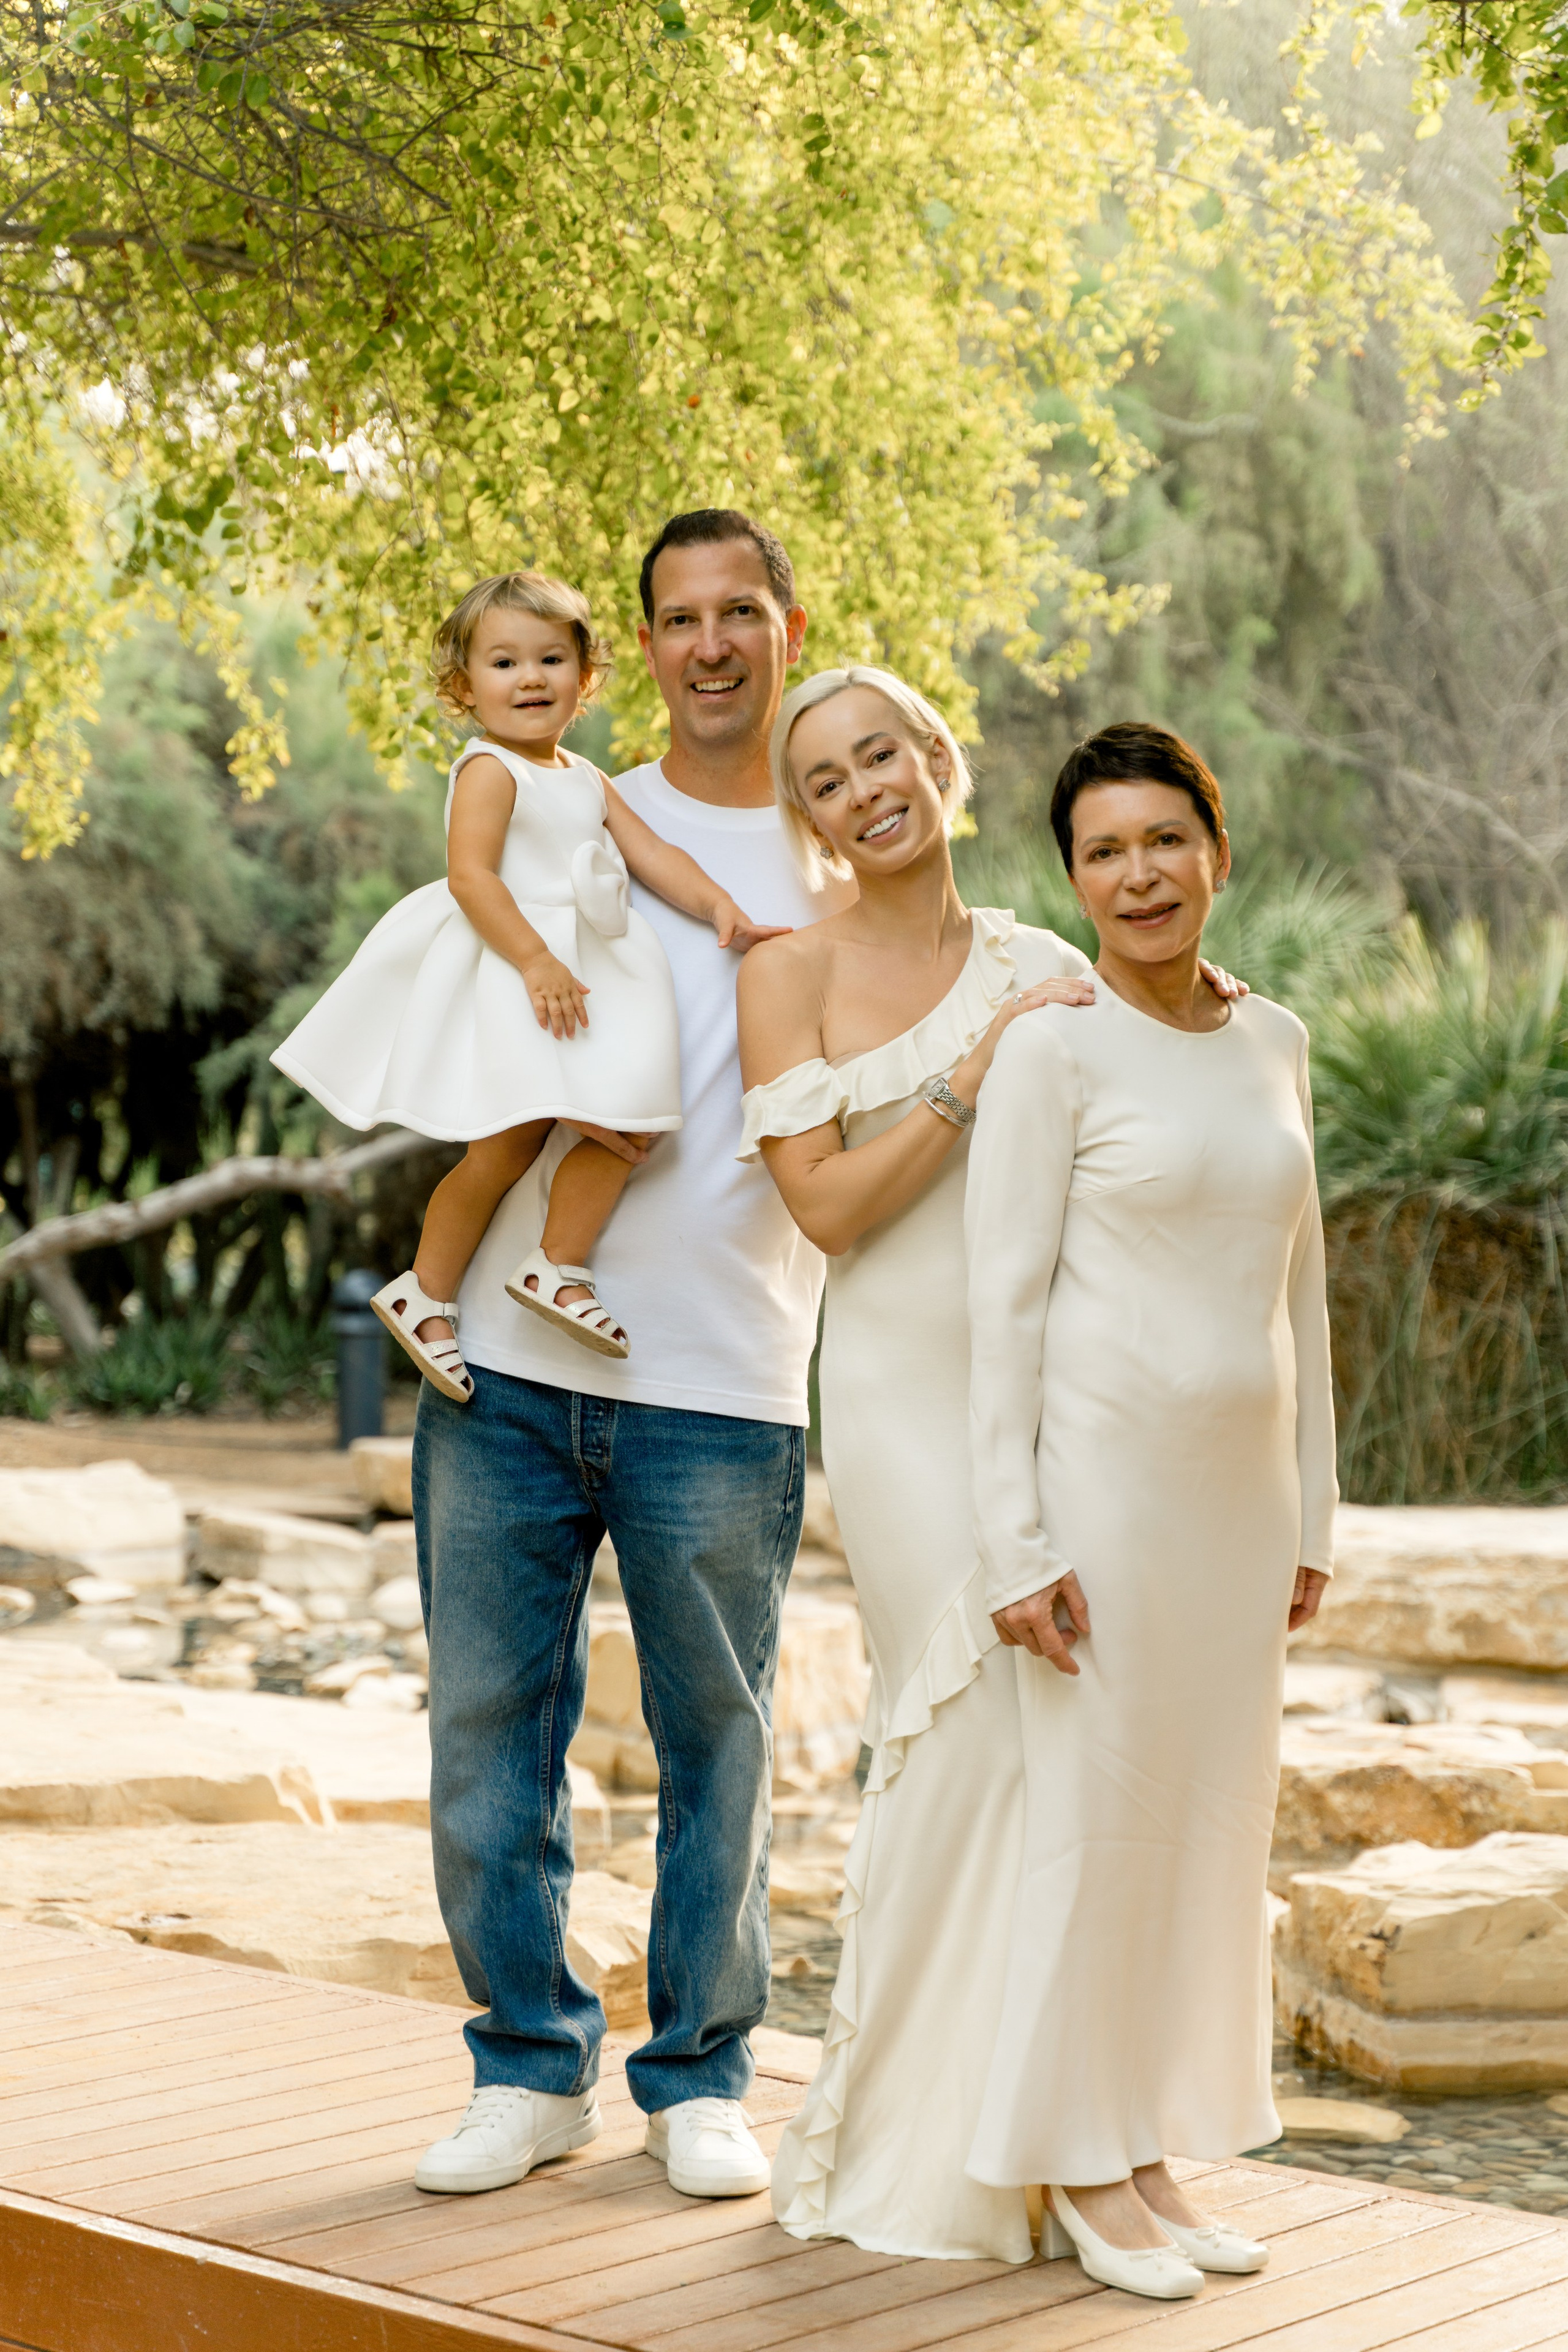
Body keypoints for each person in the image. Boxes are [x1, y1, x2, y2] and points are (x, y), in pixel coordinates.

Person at [736, 671, 1242, 2263]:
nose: (865, 787)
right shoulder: (790, 972)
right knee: (958, 1745)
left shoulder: (1042, 951)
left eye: (882, 751)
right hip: (897, 1403)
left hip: (1057, 1399)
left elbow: (1155, 1102)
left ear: (937, 760)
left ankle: (1089, 2138)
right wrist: (968, 1074)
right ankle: (930, 2150)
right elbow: (823, 1215)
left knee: (1072, 1763)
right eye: (826, 778)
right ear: (808, 817)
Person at [407, 512, 853, 2203]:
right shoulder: (560, 797)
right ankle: (526, 2067)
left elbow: (973, 980)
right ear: (639, 652)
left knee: (717, 1740)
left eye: (743, 611)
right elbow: (454, 1015)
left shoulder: (847, 867)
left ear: (790, 627)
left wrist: (1158, 996)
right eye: (681, 618)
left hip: (727, 1374)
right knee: (488, 1732)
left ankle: (699, 2075)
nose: (713, 642)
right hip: (510, 1372)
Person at [962, 722, 1335, 2299]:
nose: (1138, 874)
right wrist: (1012, 1539)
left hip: (1238, 1512)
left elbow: (1302, 1294)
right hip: (1099, 1500)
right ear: (1073, 878)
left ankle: (1150, 2150)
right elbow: (1003, 1312)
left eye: (1163, 840)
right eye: (1104, 851)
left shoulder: (1276, 1041)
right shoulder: (1048, 1051)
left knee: (1199, 1834)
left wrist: (1311, 1509)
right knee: (1099, 1832)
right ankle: (1072, 2158)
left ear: (1216, 851)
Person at [272, 570, 783, 1395]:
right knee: (504, 1149)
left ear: (585, 680)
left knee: (629, 1128)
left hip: (577, 983)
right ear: (464, 687)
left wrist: (721, 906)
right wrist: (537, 961)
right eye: (505, 663)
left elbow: (655, 856)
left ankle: (554, 1265)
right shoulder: (488, 770)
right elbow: (472, 878)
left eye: (551, 659)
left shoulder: (583, 777)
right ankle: (428, 1288)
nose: (531, 678)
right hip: (518, 972)